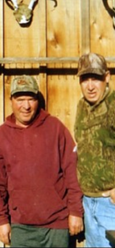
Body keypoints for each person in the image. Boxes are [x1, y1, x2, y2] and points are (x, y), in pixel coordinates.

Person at [0, 75, 84, 247]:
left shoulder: (55, 128)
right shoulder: (1, 136)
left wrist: (76, 211)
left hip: (57, 224)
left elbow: (72, 172)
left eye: (31, 99)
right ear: (11, 100)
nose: (26, 106)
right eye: (20, 99)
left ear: (37, 101)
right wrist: (1, 220)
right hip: (21, 227)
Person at [74, 52, 115, 247]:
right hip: (88, 201)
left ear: (106, 77)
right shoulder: (81, 106)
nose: (90, 86)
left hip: (111, 204)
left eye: (96, 78)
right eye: (85, 79)